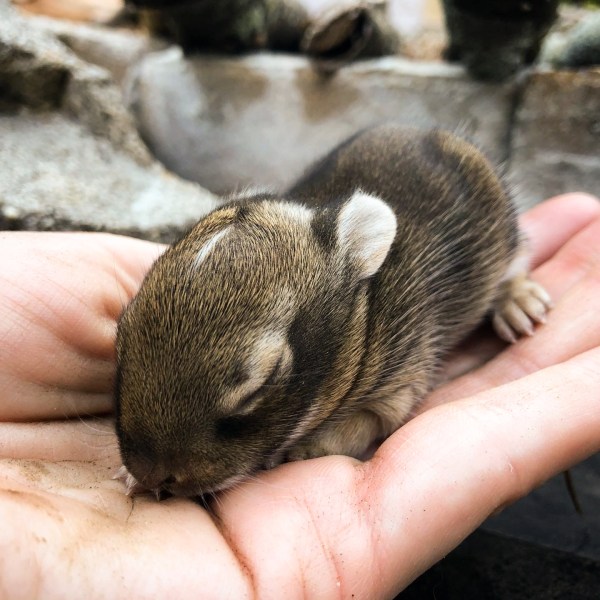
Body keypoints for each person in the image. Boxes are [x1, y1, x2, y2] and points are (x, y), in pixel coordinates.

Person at [0, 193, 599, 598]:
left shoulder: (374, 322)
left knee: (475, 189)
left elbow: (395, 394)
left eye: (252, 387)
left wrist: (347, 428)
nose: (152, 472)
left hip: (461, 214)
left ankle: (513, 279)